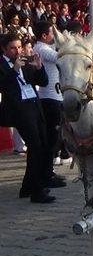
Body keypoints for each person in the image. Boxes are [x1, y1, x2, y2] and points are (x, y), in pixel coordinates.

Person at [0, 33, 56, 203]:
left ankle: (28, 186)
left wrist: (39, 67)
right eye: (12, 48)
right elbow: (3, 85)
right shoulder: (2, 64)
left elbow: (43, 82)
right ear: (3, 49)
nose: (17, 51)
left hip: (34, 106)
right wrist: (14, 69)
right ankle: (36, 191)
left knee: (42, 145)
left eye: (19, 47)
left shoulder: (25, 61)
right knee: (35, 147)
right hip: (18, 110)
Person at [34, 22, 70, 170]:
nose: (54, 36)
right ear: (44, 35)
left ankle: (50, 171)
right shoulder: (40, 48)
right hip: (49, 98)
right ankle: (47, 170)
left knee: (57, 134)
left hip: (56, 96)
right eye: (52, 33)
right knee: (51, 136)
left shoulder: (46, 47)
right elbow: (61, 57)